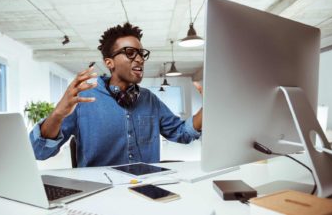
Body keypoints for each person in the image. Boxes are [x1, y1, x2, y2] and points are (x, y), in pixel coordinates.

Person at [30, 22, 203, 167]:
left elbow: (182, 133)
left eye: (141, 54)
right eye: (130, 53)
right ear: (109, 62)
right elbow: (39, 152)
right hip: (100, 195)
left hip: (147, 190)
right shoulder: (84, 98)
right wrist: (58, 114)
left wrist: (209, 107)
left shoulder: (149, 99)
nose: (140, 59)